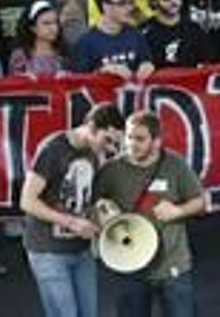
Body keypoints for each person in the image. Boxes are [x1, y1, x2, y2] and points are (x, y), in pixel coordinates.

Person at [95, 111, 207, 317]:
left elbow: (201, 203)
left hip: (172, 264)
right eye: (128, 137)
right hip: (130, 266)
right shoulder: (111, 170)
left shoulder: (175, 165)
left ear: (156, 142)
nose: (131, 144)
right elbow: (93, 206)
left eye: (140, 139)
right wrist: (102, 214)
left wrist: (178, 211)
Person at [19, 103, 125, 317]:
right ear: (92, 127)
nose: (111, 148)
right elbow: (27, 201)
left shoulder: (96, 153)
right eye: (108, 140)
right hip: (47, 251)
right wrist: (72, 222)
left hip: (81, 250)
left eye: (115, 143)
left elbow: (88, 199)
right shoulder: (52, 149)